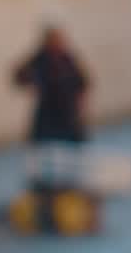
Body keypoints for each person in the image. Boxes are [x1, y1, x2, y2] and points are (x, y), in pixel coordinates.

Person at [13, 25, 90, 189]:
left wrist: (82, 109)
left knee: (70, 162)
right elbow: (20, 76)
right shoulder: (39, 60)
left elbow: (83, 84)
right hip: (47, 119)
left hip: (67, 118)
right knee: (45, 161)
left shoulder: (67, 59)